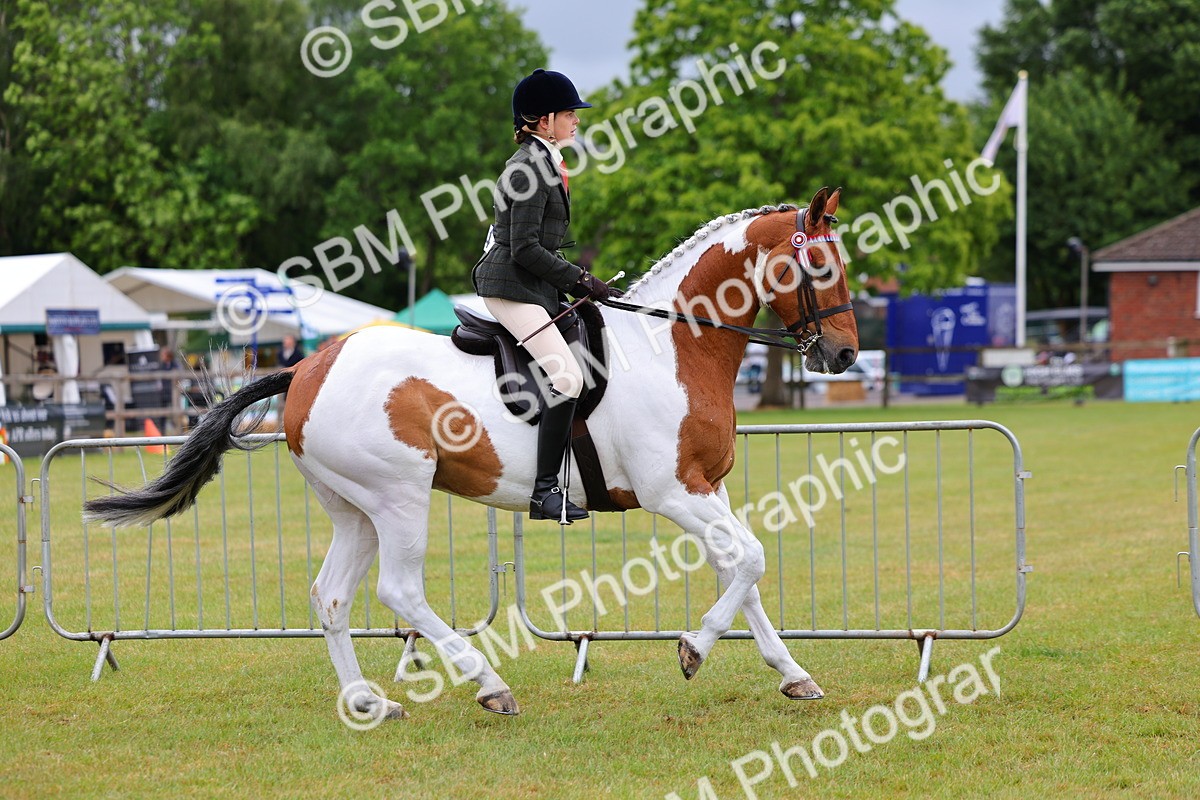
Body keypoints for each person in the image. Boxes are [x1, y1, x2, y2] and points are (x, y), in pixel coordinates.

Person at [472, 68, 613, 524]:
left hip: (533, 285)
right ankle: (544, 491)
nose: (576, 120)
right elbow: (526, 248)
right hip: (510, 288)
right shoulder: (526, 168)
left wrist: (577, 284)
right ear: (542, 120)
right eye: (568, 113)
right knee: (568, 377)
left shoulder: (546, 162)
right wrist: (579, 280)